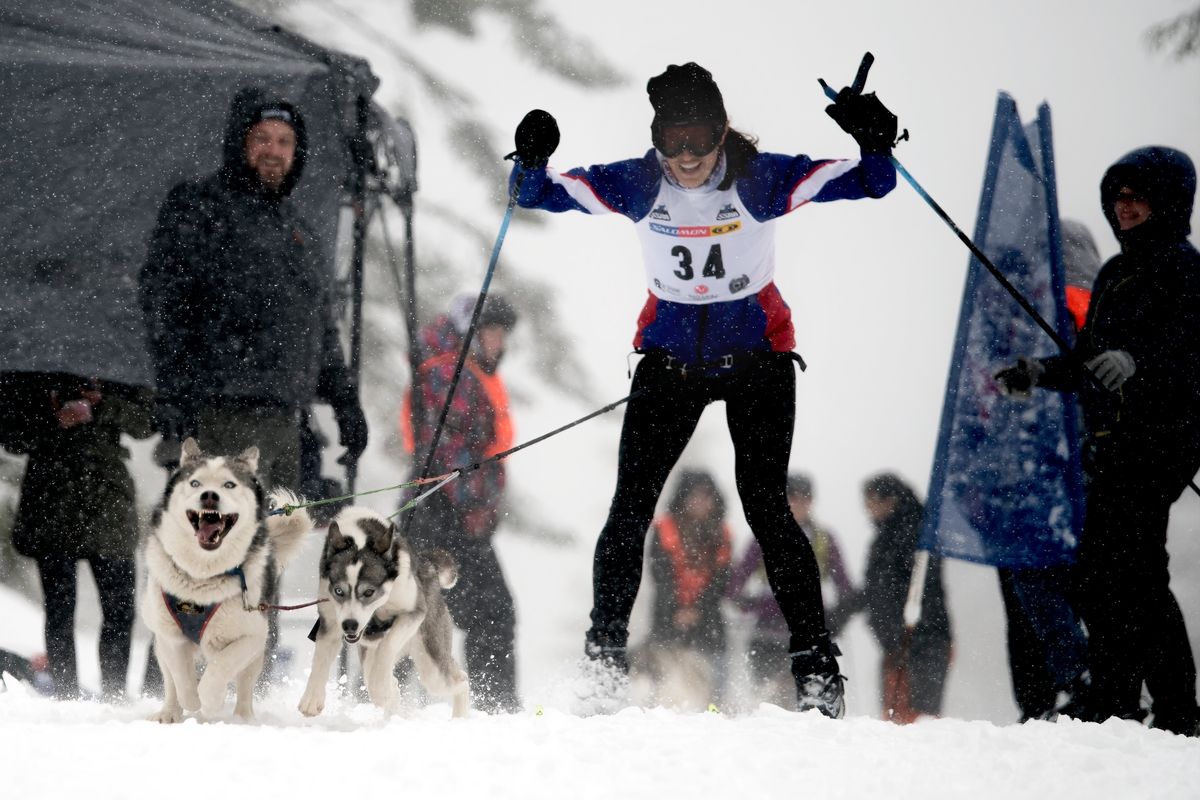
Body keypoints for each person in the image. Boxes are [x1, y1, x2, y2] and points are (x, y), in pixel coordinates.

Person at [507, 61, 899, 717]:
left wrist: (875, 143)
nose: (686, 157)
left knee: (766, 507)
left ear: (721, 133)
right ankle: (604, 661)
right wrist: (530, 160)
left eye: (699, 140)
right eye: (673, 142)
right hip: (671, 364)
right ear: (658, 140)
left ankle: (817, 672)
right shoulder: (639, 181)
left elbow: (874, 184)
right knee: (631, 505)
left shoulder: (761, 177)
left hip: (757, 362)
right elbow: (534, 193)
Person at [995, 146, 1200, 736]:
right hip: (1110, 442)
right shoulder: (1114, 273)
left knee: (1136, 573)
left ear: (1169, 201)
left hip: (1159, 441)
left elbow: (1188, 355)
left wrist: (1138, 362)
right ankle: (1114, 696)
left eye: (1139, 196)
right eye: (1119, 197)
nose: (1126, 207)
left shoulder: (1183, 269)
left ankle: (1176, 707)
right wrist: (1039, 372)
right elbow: (1088, 361)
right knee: (1107, 574)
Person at [138, 85, 367, 488]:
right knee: (219, 546)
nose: (274, 151)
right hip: (219, 417)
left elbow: (320, 329)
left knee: (271, 549)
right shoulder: (201, 207)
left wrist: (345, 402)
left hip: (284, 426)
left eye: (284, 142)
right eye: (262, 138)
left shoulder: (299, 231)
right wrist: (174, 396)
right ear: (239, 142)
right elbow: (165, 305)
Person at [995, 219, 1099, 723]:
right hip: (1076, 469)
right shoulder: (1097, 305)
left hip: (1036, 475)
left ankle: (1056, 693)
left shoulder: (1027, 314)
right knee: (1089, 585)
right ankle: (1097, 687)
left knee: (1028, 583)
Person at [402, 293, 522, 714]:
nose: (500, 344)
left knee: (415, 608)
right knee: (489, 611)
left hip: (447, 513)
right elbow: (448, 453)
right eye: (493, 333)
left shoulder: (463, 372)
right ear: (470, 333)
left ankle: (389, 699)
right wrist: (476, 504)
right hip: (444, 514)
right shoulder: (448, 375)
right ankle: (495, 706)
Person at [0, 373, 152, 699]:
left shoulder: (116, 366)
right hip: (51, 500)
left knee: (120, 609)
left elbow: (147, 422)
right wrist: (51, 415)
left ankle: (114, 694)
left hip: (107, 500)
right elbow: (9, 435)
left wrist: (102, 404)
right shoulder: (31, 372)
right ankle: (66, 695)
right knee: (59, 610)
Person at [729, 473, 860, 704]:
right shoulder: (765, 535)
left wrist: (840, 615)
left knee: (808, 701)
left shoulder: (824, 539)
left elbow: (844, 586)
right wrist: (744, 603)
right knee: (768, 701)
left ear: (811, 502)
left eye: (804, 498)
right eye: (793, 497)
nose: (798, 504)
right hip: (767, 633)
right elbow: (737, 579)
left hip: (808, 634)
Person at [861, 473, 951, 723]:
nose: (869, 513)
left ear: (890, 500)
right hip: (899, 642)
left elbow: (904, 586)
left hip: (919, 640)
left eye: (871, 504)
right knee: (898, 718)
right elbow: (876, 588)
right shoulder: (894, 533)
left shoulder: (913, 532)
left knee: (914, 720)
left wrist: (902, 631)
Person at [639, 469, 732, 706]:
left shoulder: (722, 533)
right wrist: (676, 609)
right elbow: (660, 576)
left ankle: (714, 712)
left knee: (712, 688)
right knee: (664, 685)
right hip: (666, 619)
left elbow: (721, 580)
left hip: (709, 621)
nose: (701, 502)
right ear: (683, 497)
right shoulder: (664, 528)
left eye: (706, 496)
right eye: (695, 496)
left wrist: (698, 609)